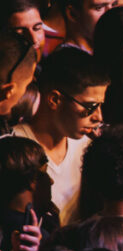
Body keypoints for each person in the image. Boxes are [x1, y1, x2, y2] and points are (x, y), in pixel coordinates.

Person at [12, 47, 108, 223]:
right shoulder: (14, 149)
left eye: (101, 105)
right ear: (54, 99)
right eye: (90, 107)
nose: (98, 117)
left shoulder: (87, 148)